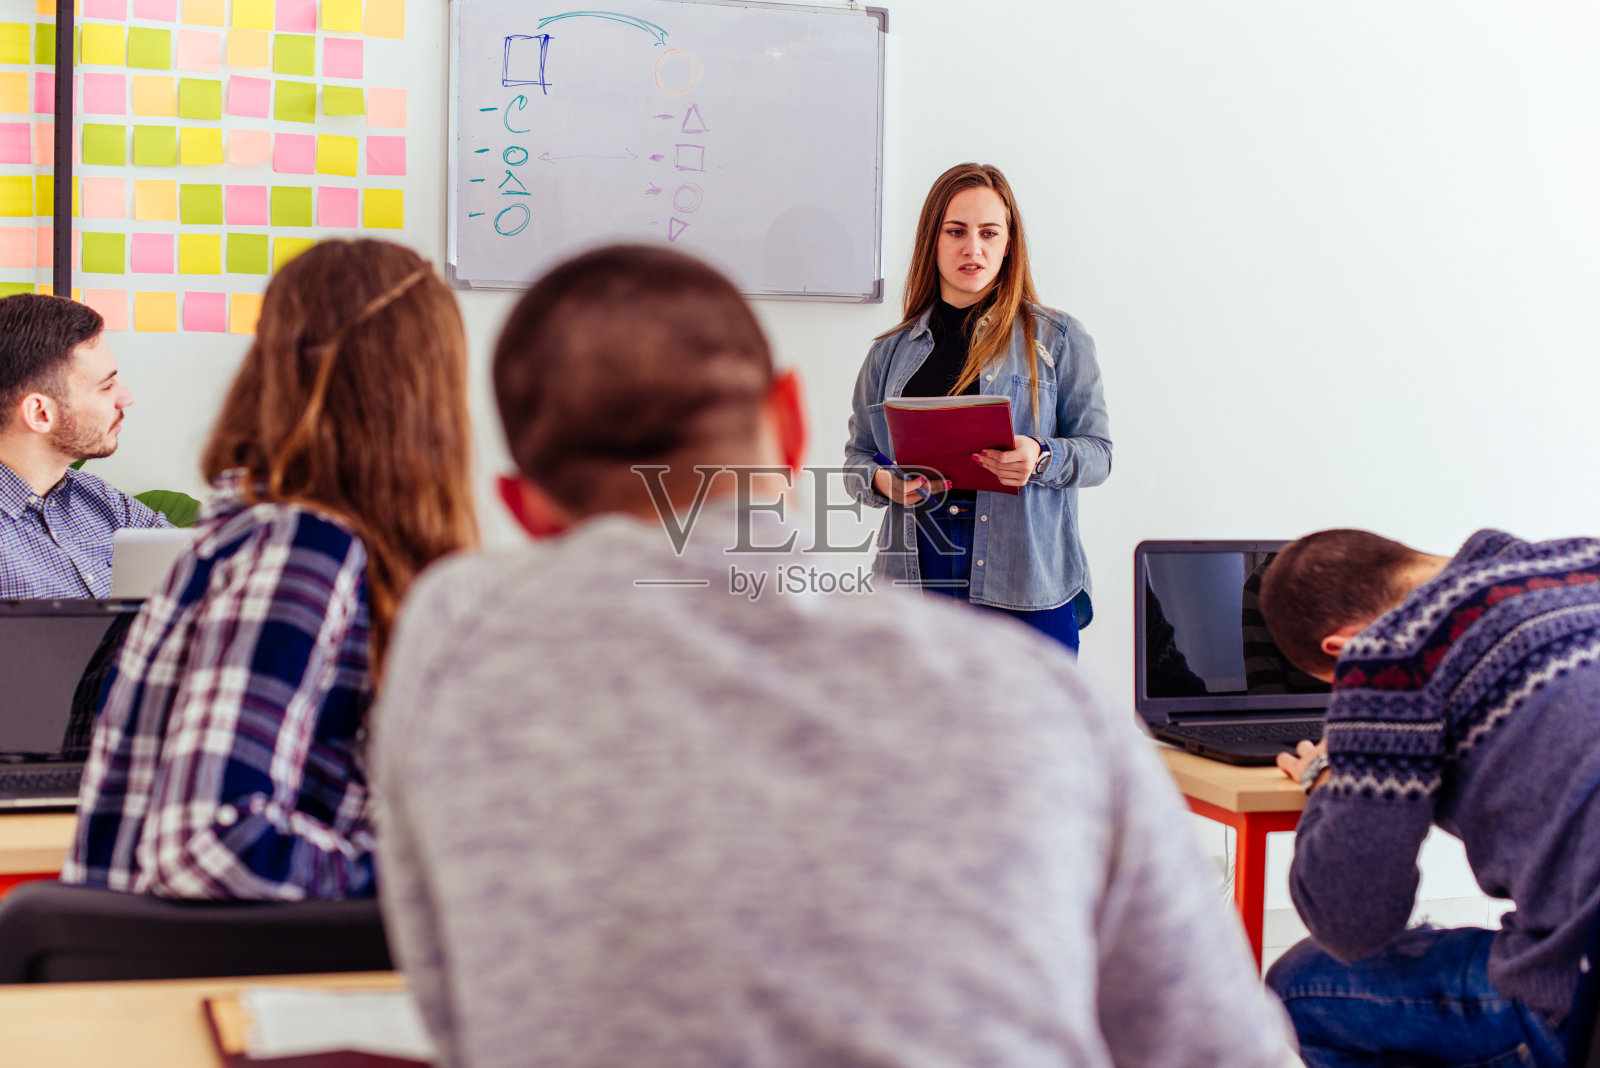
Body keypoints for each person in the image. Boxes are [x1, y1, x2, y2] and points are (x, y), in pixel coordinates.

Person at [372, 244, 1294, 1068]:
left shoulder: (454, 635)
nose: (974, 248)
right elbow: (1215, 1047)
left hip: (1022, 569)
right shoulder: (1041, 701)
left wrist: (1037, 459)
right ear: (790, 419)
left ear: (525, 506)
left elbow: (457, 1005)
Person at [60, 239, 478, 900]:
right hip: (222, 980)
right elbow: (210, 842)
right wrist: (429, 881)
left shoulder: (269, 537)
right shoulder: (300, 548)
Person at [1258, 528, 1600, 1067]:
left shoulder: (1389, 655)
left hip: (1578, 999)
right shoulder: (1584, 561)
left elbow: (1353, 922)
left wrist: (1328, 769)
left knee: (1298, 988)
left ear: (1341, 648)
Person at [844, 163, 1111, 652]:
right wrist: (884, 481)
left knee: (1032, 729)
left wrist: (1039, 454)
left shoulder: (1059, 338)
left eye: (989, 232)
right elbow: (856, 460)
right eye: (956, 231)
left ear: (1009, 243)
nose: (974, 248)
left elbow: (1099, 455)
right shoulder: (890, 352)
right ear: (934, 241)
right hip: (916, 577)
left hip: (1027, 580)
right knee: (918, 729)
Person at [0, 293, 168, 598]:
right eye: (106, 386)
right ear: (40, 413)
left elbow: (208, 567)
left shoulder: (104, 503)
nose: (126, 397)